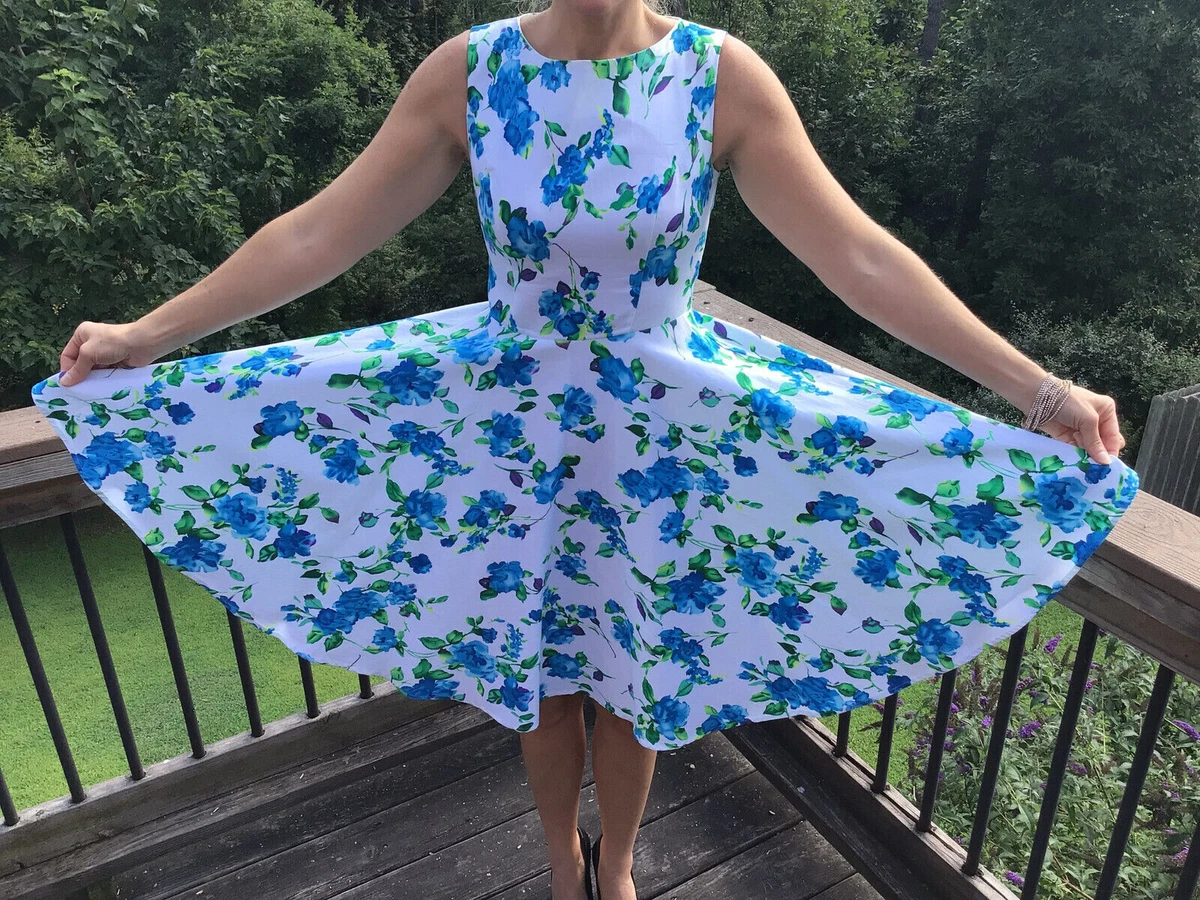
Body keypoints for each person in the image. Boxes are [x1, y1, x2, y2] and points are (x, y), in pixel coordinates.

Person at [35, 3, 1136, 899]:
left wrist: (1038, 393)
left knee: (633, 669)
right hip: (510, 425)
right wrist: (150, 334)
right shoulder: (468, 72)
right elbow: (320, 235)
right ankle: (566, 864)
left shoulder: (719, 75)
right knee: (546, 672)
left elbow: (859, 256)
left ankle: (616, 869)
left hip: (653, 437)